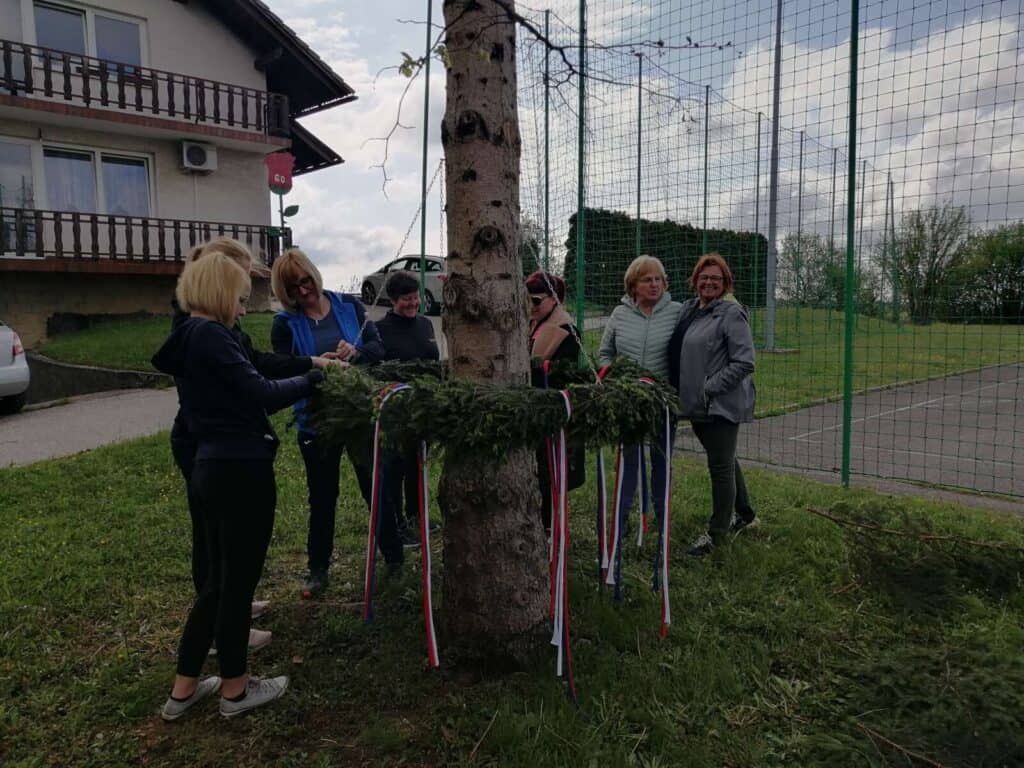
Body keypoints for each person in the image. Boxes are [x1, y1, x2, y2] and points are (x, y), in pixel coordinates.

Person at [154, 250, 323, 719]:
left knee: (215, 584)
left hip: (210, 465)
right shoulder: (213, 336)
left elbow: (258, 373)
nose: (246, 307)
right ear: (221, 292)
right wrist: (314, 379)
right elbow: (262, 394)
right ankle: (236, 690)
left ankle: (183, 690)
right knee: (236, 587)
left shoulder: (189, 334)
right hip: (240, 470)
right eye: (243, 297)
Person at [270, 248, 386, 598]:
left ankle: (393, 554)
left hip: (359, 415)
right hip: (316, 422)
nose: (303, 292)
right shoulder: (285, 325)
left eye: (305, 282)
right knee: (322, 498)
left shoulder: (347, 306)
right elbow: (283, 368)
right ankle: (318, 569)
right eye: (293, 289)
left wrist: (357, 353)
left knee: (375, 488)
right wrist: (317, 364)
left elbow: (378, 349)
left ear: (314, 274)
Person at [668, 252, 757, 558]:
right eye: (704, 277)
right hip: (694, 403)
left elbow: (745, 362)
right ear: (695, 280)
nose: (709, 283)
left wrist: (709, 389)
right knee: (725, 459)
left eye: (716, 279)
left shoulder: (731, 314)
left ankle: (717, 534)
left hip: (718, 405)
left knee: (719, 467)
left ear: (725, 283)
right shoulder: (690, 309)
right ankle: (745, 513)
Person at [597, 255, 682, 544]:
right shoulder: (619, 315)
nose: (654, 284)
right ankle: (618, 530)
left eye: (658, 279)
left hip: (663, 404)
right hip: (628, 403)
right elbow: (604, 353)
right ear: (633, 285)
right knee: (627, 465)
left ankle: (662, 532)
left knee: (662, 465)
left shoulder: (677, 312)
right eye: (647, 279)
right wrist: (614, 378)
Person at [375, 270, 441, 551]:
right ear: (392, 300)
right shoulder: (380, 329)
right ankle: (398, 523)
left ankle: (418, 515)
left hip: (421, 407)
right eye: (406, 299)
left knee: (418, 464)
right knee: (394, 469)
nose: (413, 303)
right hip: (395, 411)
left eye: (415, 298)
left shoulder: (426, 325)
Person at [527, 270, 584, 531]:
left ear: (554, 299)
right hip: (532, 411)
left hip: (552, 413)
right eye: (526, 299)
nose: (531, 306)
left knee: (550, 472)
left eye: (536, 300)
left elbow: (556, 374)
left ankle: (550, 529)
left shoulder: (566, 330)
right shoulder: (532, 323)